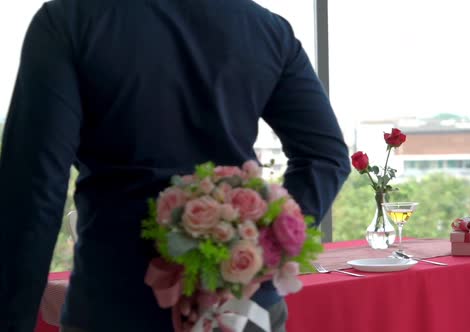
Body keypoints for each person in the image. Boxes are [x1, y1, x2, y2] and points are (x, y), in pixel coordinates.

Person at [0, 0, 351, 331]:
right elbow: (326, 157)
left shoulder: (70, 20)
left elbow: (35, 191)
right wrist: (258, 248)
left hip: (118, 302)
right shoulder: (266, 28)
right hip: (242, 307)